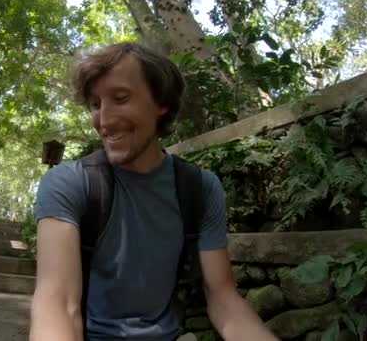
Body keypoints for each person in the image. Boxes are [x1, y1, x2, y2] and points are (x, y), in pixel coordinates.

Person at [29, 41, 279, 341]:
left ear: (161, 103)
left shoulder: (200, 188)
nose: (104, 120)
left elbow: (224, 299)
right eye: (95, 105)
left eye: (120, 98)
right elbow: (57, 305)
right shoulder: (69, 182)